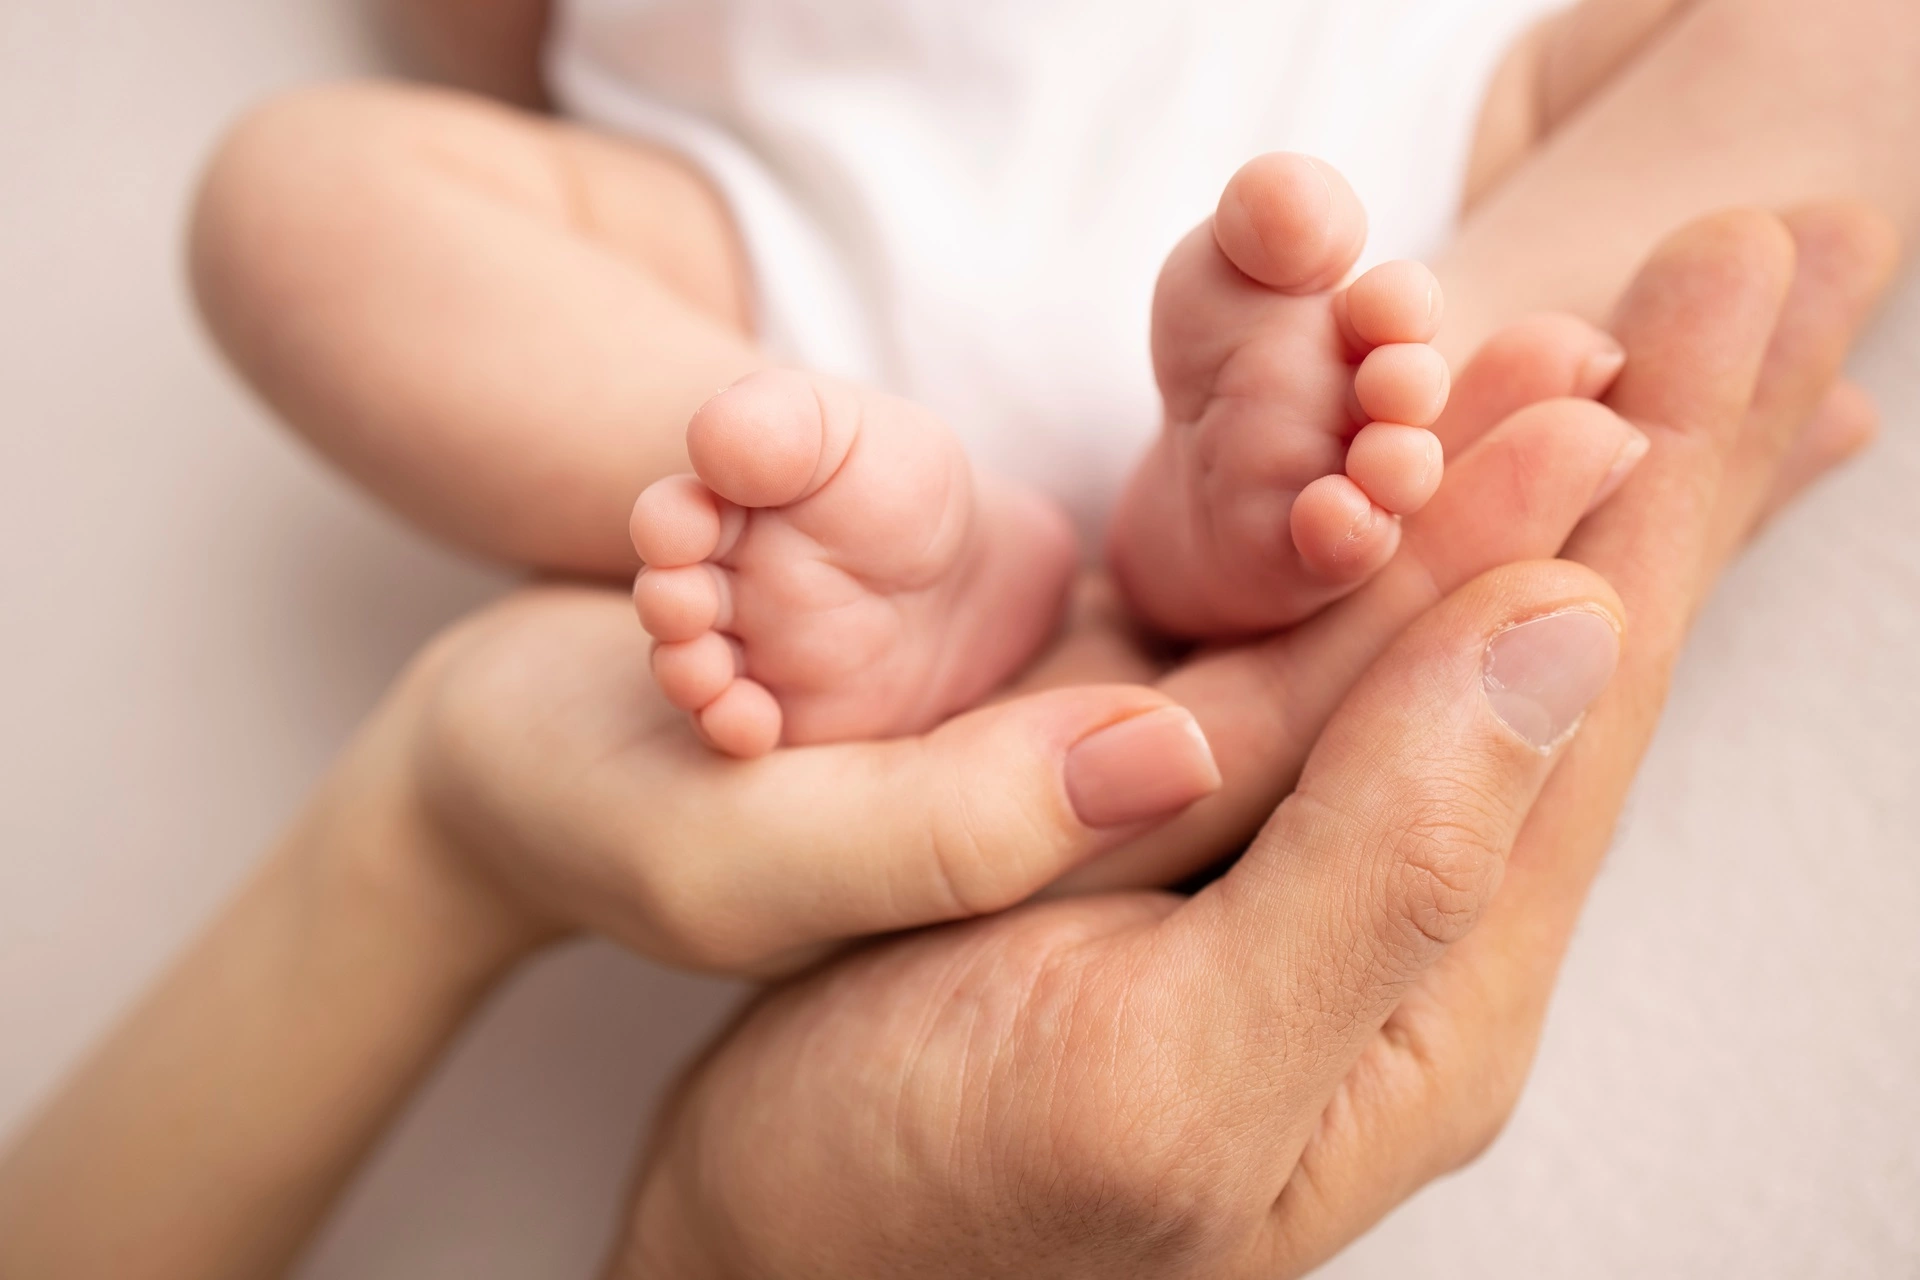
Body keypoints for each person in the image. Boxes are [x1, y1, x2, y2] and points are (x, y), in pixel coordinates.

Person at [0, 207, 1895, 1277]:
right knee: (291, 201)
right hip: (773, 273)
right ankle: (917, 525)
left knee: (1629, 212)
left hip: (1385, 221)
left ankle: (1189, 516)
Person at [185, 0, 1920, 761]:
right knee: (289, 200)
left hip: (1402, 132)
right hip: (793, 261)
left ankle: (1403, 379)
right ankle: (821, 510)